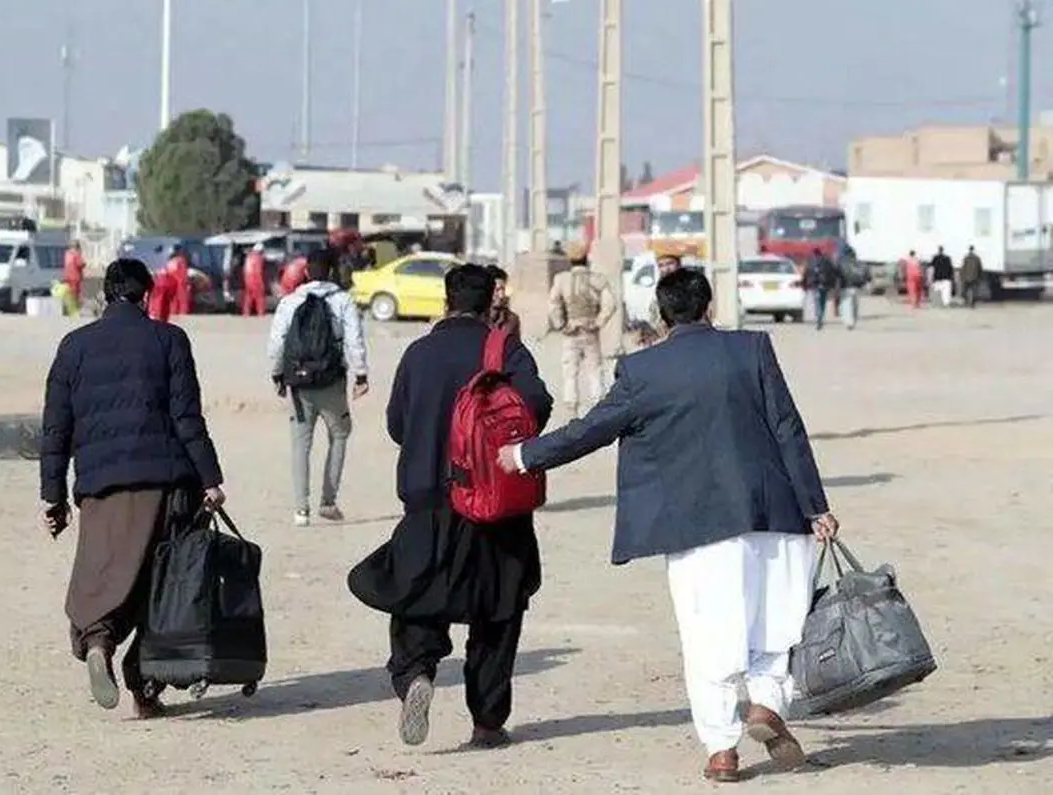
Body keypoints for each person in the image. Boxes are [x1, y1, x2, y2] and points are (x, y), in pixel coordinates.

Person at [497, 268, 839, 783]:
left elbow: (590, 430)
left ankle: (722, 751)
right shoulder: (753, 349)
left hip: (697, 525)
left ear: (662, 314)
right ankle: (767, 706)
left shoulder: (642, 370)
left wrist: (525, 455)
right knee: (772, 625)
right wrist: (816, 506)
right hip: (776, 512)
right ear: (710, 306)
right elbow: (788, 428)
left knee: (708, 636)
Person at [348, 263, 554, 750]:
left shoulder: (418, 354)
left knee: (417, 598)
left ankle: (417, 673)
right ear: (489, 305)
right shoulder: (504, 350)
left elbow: (398, 424)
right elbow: (537, 407)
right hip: (495, 503)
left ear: (446, 302)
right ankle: (487, 720)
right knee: (498, 611)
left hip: (427, 500)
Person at [40, 258, 226, 719]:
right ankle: (145, 689)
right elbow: (187, 418)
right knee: (161, 586)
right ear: (146, 295)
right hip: (165, 483)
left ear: (106, 295)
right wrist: (211, 478)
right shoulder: (170, 340)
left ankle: (98, 639)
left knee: (104, 571)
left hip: (100, 485)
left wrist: (54, 497)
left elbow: (56, 428)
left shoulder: (74, 346)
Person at [268, 249, 369, 526]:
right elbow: (354, 340)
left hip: (299, 384)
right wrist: (361, 376)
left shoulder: (290, 301)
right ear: (333, 272)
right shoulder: (343, 300)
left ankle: (301, 509)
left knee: (301, 444)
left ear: (307, 272)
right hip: (332, 380)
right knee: (339, 434)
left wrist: (277, 375)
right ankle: (328, 500)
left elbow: (277, 342)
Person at [547, 244, 616, 417]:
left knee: (570, 370)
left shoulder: (561, 279)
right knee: (595, 369)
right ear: (587, 259)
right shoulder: (597, 279)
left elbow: (553, 304)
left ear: (570, 260)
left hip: (571, 329)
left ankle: (571, 407)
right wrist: (599, 322)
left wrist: (560, 325)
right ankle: (598, 406)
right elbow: (610, 303)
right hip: (590, 329)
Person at [802, 247, 840, 331]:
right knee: (822, 302)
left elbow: (805, 273)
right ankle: (820, 317)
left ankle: (818, 317)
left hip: (814, 285)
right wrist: (832, 285)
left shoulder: (810, 262)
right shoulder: (826, 261)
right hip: (824, 285)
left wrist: (804, 285)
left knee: (816, 303)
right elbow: (833, 272)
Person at [485, 265, 521, 335]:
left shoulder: (511, 320)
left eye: (503, 289)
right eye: (497, 290)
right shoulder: (476, 319)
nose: (501, 295)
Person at [836, 242, 863, 331]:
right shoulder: (856, 261)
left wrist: (836, 286)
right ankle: (853, 320)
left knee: (847, 304)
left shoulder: (840, 262)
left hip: (845, 286)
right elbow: (863, 272)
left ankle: (849, 322)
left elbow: (837, 275)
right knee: (855, 305)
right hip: (856, 286)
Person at [165, 246, 192, 316]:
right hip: (181, 282)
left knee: (173, 299)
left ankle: (173, 312)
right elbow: (183, 273)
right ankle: (183, 312)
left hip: (172, 282)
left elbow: (168, 272)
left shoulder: (170, 261)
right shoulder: (181, 260)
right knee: (183, 298)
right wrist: (187, 282)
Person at [63, 240, 87, 314]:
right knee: (75, 294)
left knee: (69, 293)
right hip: (75, 276)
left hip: (67, 276)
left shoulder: (67, 254)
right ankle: (74, 309)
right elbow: (80, 264)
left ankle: (67, 309)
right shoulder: (76, 254)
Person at [241, 248, 267, 317]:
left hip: (247, 278)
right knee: (259, 296)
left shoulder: (248, 257)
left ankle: (246, 313)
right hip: (255, 278)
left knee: (248, 296)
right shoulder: (258, 258)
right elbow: (258, 271)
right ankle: (260, 313)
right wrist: (261, 282)